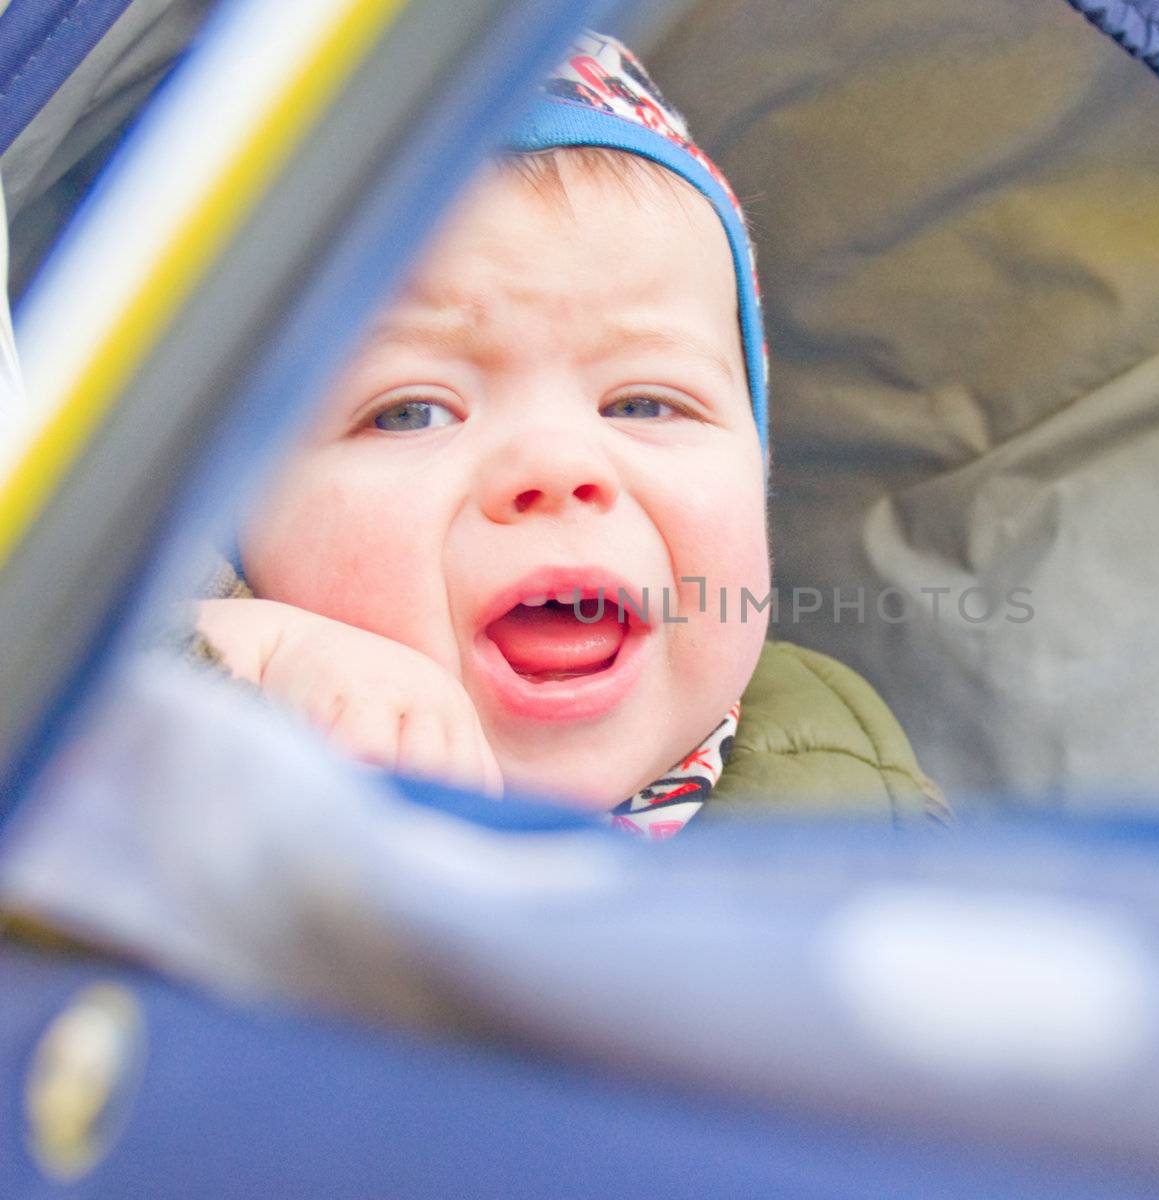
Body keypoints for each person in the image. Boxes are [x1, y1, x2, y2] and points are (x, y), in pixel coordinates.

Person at [191, 33, 947, 838]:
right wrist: (226, 661)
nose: (556, 466)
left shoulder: (849, 769)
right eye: (411, 411)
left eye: (645, 405)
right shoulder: (184, 751)